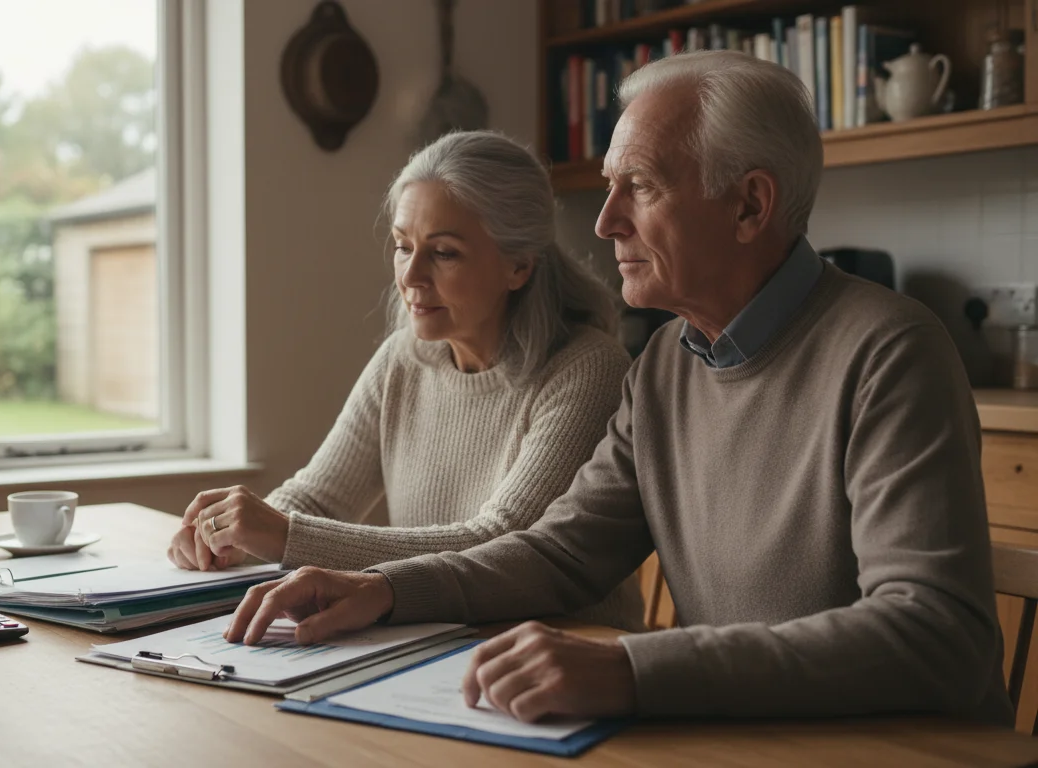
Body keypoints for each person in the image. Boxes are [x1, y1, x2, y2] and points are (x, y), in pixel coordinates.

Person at [223, 51, 1013, 727]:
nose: (603, 224)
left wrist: (636, 669)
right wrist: (383, 590)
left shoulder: (890, 351)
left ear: (749, 205)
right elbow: (563, 553)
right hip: (739, 739)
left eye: (638, 186)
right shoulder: (670, 359)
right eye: (608, 186)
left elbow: (937, 635)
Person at [167, 131, 644, 630]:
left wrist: (284, 534)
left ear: (519, 265)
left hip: (569, 653)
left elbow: (503, 544)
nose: (411, 275)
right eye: (402, 246)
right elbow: (317, 498)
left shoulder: (587, 369)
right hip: (434, 643)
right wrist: (230, 537)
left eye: (444, 253)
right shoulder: (403, 359)